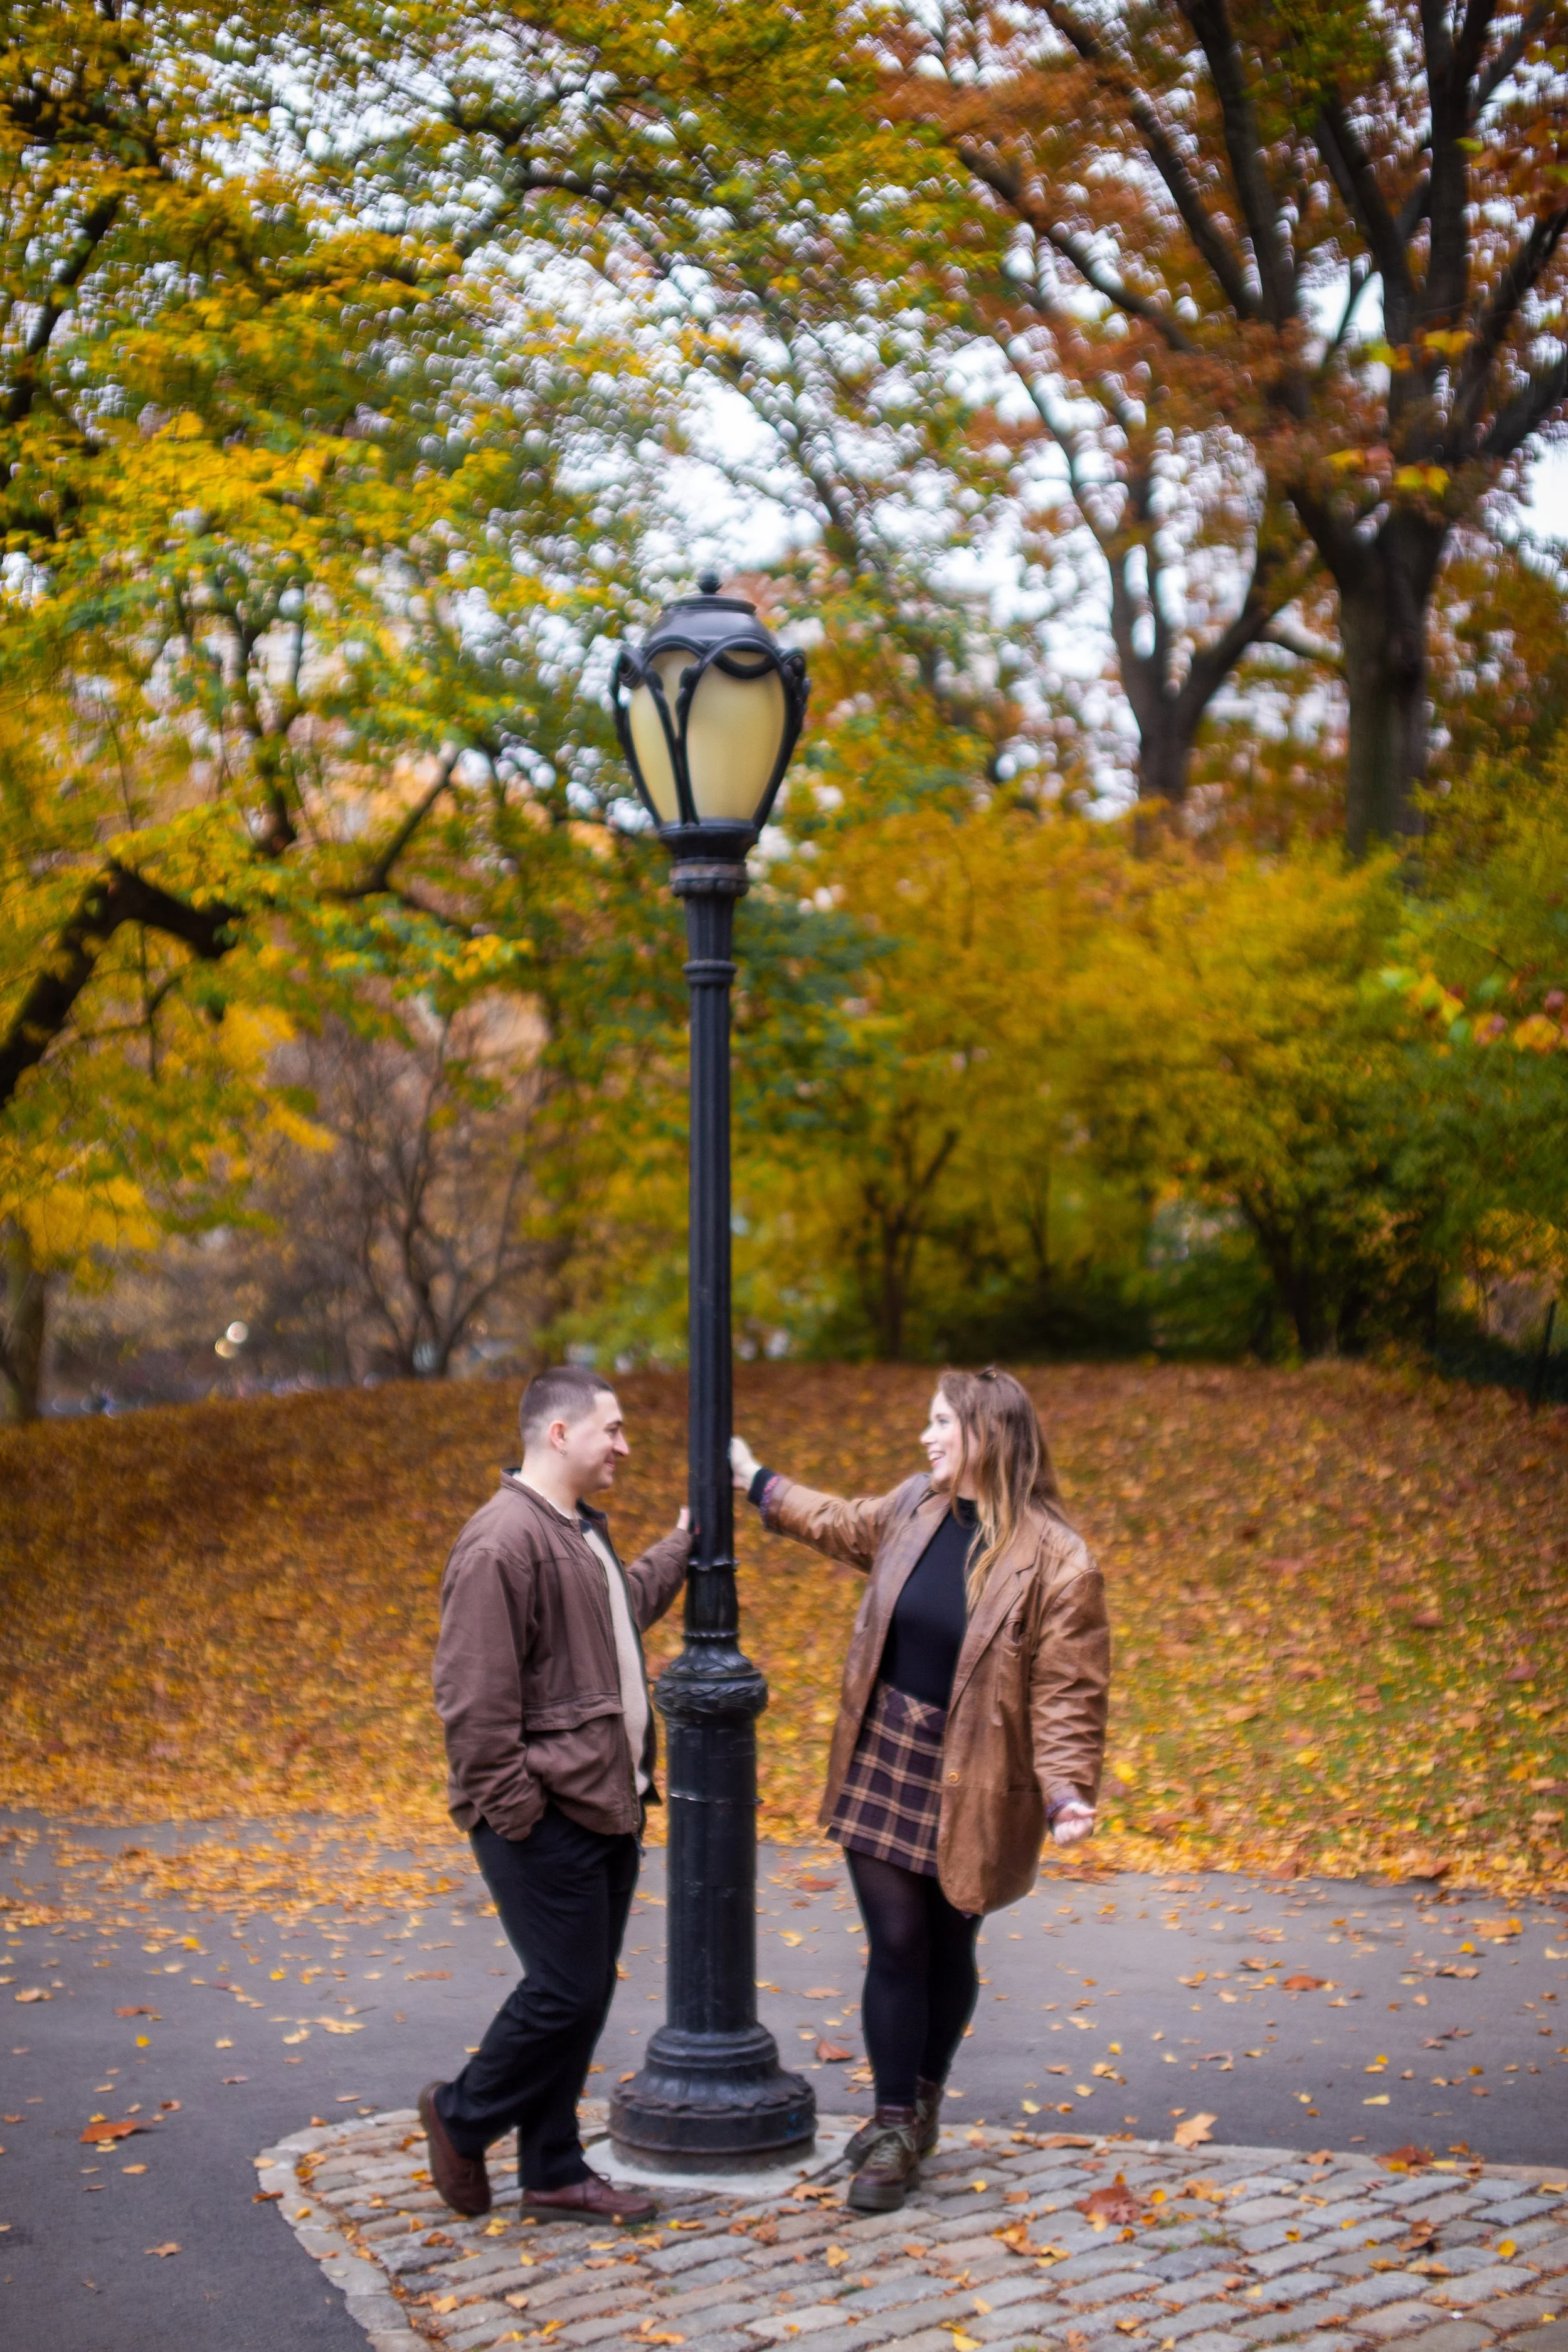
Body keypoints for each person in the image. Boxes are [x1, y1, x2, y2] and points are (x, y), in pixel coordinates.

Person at [731, 1367, 1108, 2214]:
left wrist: (1066, 1790)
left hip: (980, 1775)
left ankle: (923, 2095)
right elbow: (839, 1520)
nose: (926, 1436)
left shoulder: (1060, 1560)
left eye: (941, 1423)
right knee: (898, 1938)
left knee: (949, 1944)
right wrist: (757, 1481)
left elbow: (1068, 1692)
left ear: (987, 1435)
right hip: (884, 1752)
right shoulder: (915, 1506)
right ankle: (895, 2121)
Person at [420, 1366, 691, 2227]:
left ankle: (553, 2170)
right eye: (611, 1427)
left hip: (607, 1802)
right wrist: (523, 1814)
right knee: (565, 1993)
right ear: (559, 1433)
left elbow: (619, 1613)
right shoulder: (501, 1541)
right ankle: (461, 2119)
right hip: (549, 1815)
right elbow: (471, 1702)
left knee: (581, 1993)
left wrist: (685, 1541)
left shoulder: (576, 1532)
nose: (625, 1443)